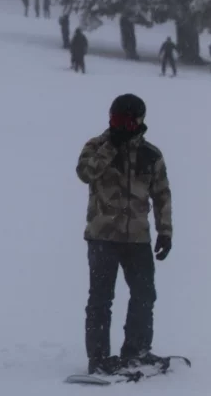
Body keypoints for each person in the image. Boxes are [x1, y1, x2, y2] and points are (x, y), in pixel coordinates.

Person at [75, 93, 173, 375]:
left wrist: (165, 232)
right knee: (101, 299)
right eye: (114, 119)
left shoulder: (151, 154)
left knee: (144, 295)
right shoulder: (96, 146)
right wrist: (111, 148)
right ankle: (99, 358)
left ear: (139, 122)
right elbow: (85, 173)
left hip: (137, 239)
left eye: (125, 121)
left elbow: (162, 195)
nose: (117, 125)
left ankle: (137, 350)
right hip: (102, 237)